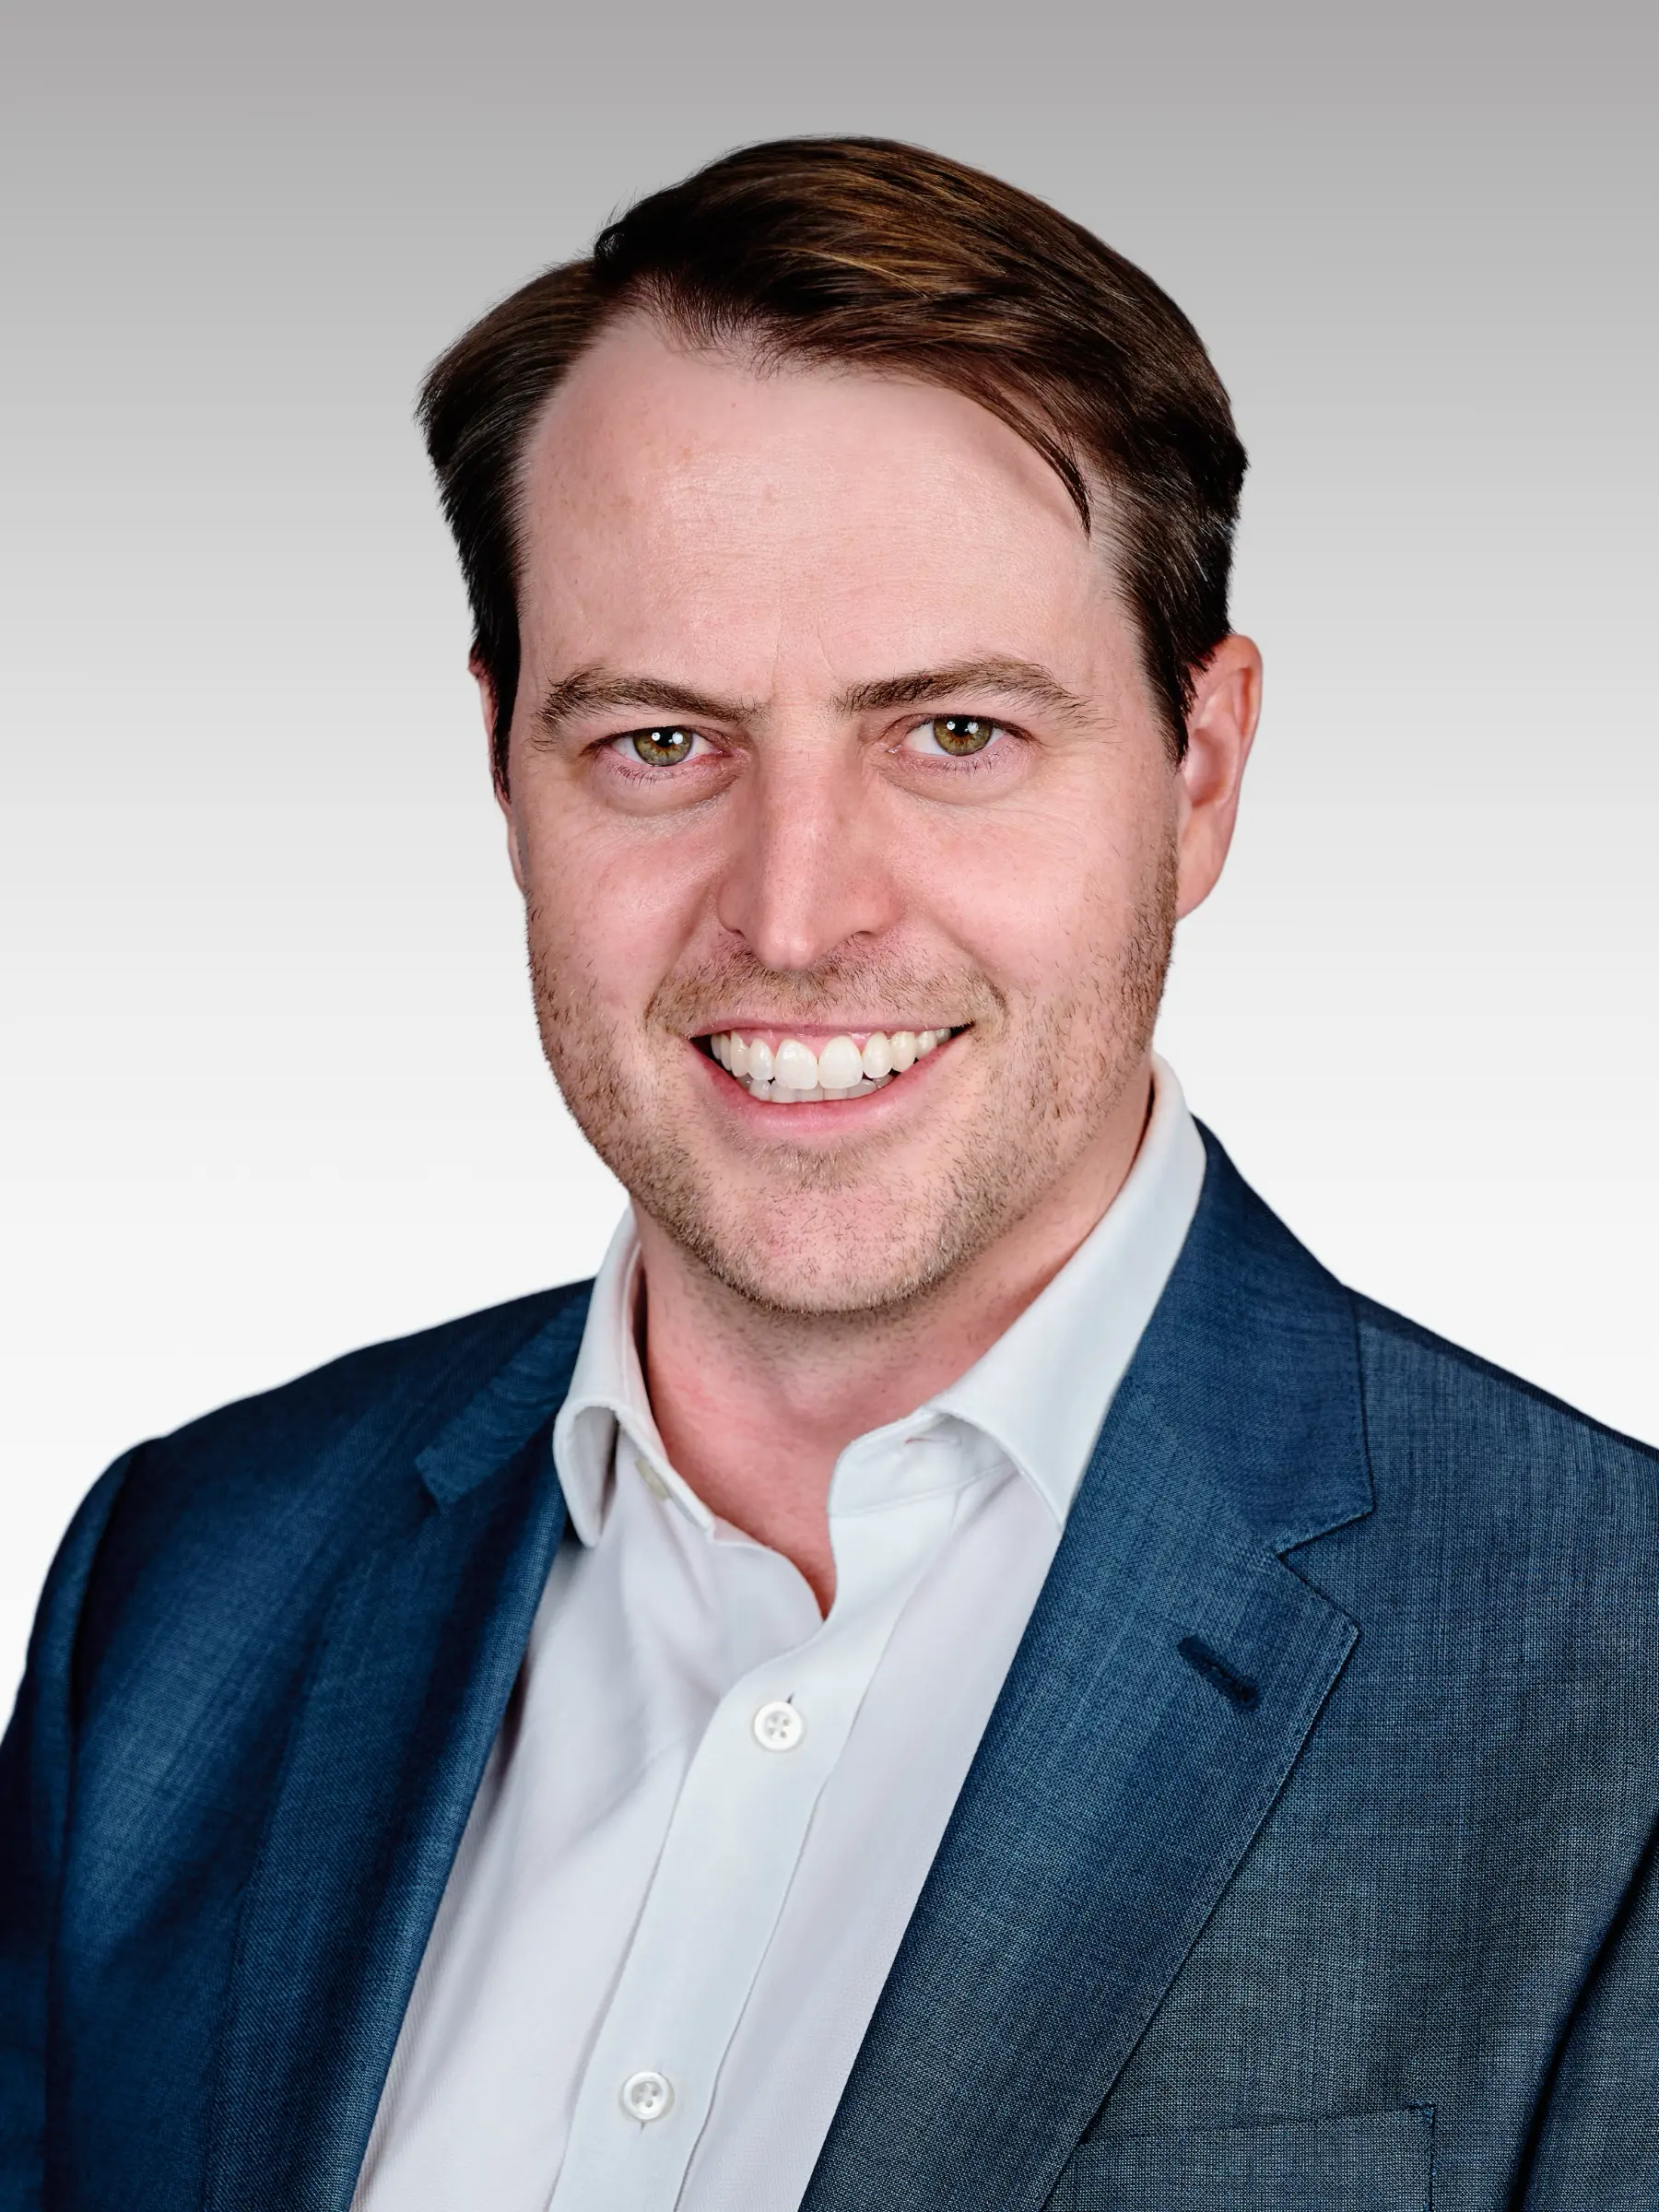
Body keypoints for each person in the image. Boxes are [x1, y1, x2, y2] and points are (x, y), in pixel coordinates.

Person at [3, 135, 1656, 2212]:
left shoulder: (1617, 1691)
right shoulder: (182, 1595)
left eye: (954, 734)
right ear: (503, 770)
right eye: (660, 745)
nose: (795, 915)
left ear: (1202, 774)